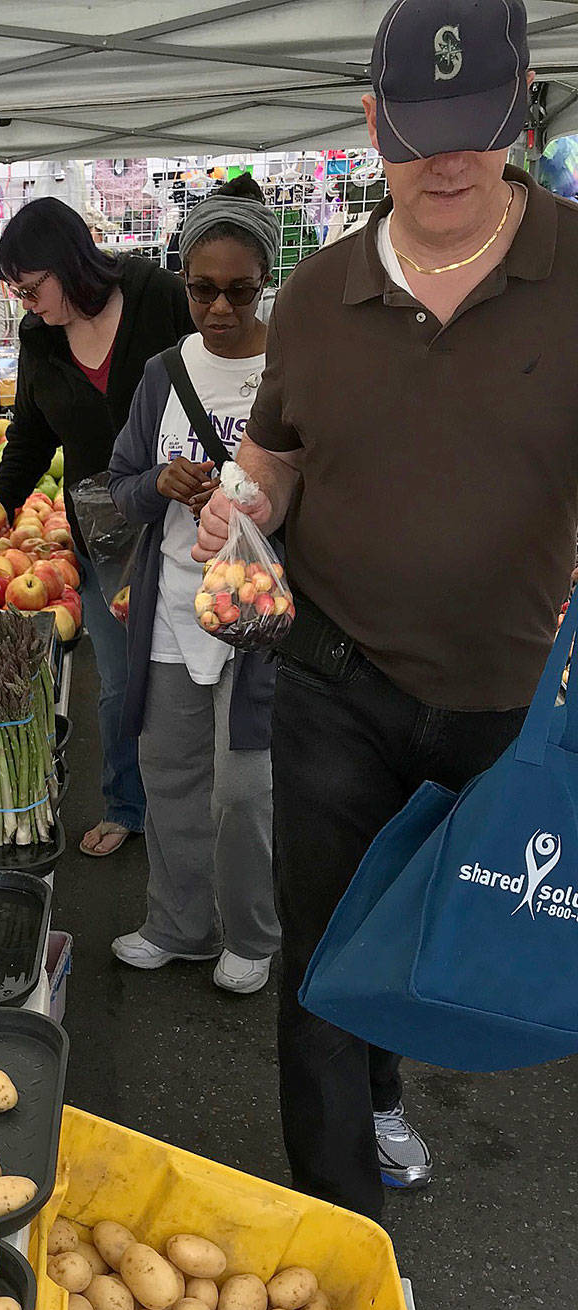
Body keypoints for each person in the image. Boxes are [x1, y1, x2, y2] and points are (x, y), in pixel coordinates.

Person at [194, 0, 578, 1217]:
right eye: (418, 132)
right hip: (336, 680)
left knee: (461, 937)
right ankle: (334, 1208)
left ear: (519, 109)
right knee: (319, 953)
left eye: (479, 125)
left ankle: (384, 1088)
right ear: (370, 125)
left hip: (513, 699)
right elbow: (273, 458)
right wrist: (236, 512)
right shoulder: (311, 296)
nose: (449, 161)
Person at [108, 175, 282, 996]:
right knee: (168, 771)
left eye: (239, 291)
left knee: (245, 788)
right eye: (201, 289)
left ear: (265, 283)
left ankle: (252, 932)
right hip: (174, 610)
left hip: (260, 620)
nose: (219, 308)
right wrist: (159, 486)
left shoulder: (293, 368)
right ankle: (178, 924)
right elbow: (119, 484)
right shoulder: (162, 373)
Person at [0, 197, 193, 858]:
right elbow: (31, 433)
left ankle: (196, 804)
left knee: (199, 669)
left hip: (188, 519)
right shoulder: (40, 337)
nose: (26, 302)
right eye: (16, 291)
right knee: (119, 682)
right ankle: (126, 803)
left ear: (69, 263)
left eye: (31, 287)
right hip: (103, 534)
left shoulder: (159, 296)